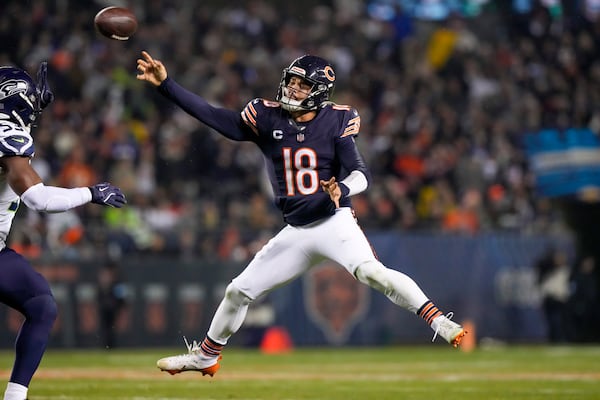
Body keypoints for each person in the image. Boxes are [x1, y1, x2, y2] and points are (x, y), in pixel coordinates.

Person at [136, 51, 466, 377]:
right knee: (238, 291)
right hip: (296, 230)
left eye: (302, 85)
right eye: (291, 81)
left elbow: (360, 172)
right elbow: (214, 116)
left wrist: (343, 190)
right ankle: (207, 356)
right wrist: (167, 85)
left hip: (333, 221)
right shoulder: (266, 116)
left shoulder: (336, 119)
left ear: (319, 92)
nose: (293, 89)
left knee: (371, 273)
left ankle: (439, 320)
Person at [0, 63, 126, 400]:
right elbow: (38, 199)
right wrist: (92, 192)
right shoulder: (8, 133)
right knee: (41, 305)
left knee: (41, 303)